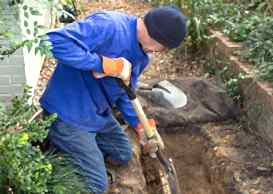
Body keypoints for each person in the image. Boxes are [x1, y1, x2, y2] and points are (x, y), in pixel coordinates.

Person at [40, 5, 187, 194]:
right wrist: (102, 64)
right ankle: (57, 158)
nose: (162, 52)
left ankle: (80, 153)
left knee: (123, 154)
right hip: (68, 114)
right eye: (165, 47)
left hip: (96, 115)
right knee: (96, 187)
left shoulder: (143, 56)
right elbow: (53, 41)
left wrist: (141, 126)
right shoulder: (109, 26)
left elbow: (126, 93)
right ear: (158, 37)